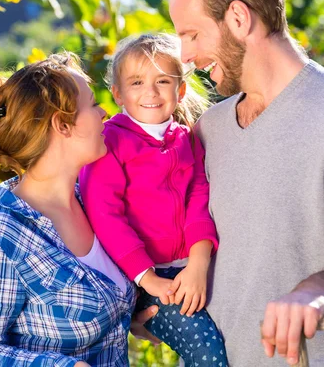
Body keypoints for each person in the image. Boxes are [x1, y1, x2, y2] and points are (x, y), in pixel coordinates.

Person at [151, 0, 324, 366]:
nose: (185, 55)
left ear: (238, 18)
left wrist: (317, 290)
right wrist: (151, 301)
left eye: (192, 34)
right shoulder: (209, 130)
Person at [0, 53, 136, 367]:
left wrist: (133, 318)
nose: (105, 112)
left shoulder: (95, 200)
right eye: (93, 104)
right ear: (62, 125)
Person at [79, 34, 228, 366]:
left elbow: (199, 198)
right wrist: (149, 279)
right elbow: (105, 217)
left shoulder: (186, 139)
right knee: (205, 348)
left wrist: (199, 262)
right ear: (117, 93)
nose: (150, 91)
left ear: (181, 90)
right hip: (143, 277)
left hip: (190, 266)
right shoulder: (109, 144)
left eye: (163, 80)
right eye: (136, 82)